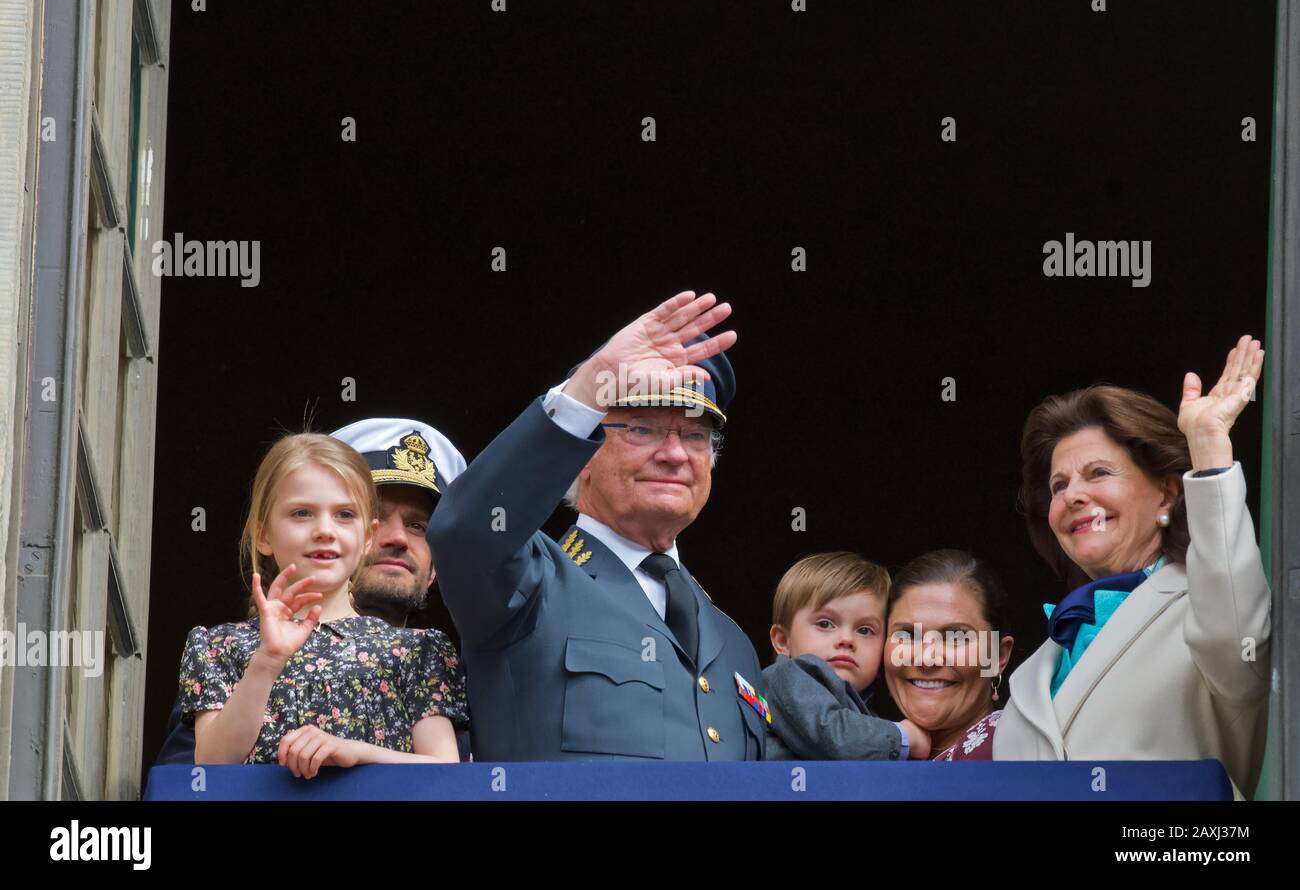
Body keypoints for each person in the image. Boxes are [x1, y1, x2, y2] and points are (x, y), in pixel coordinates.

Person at [427, 292, 767, 760]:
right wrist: (589, 388)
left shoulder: (732, 640)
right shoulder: (530, 582)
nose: (674, 454)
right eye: (641, 429)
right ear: (582, 456)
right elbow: (463, 532)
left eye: (694, 435)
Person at [993, 336, 1272, 798]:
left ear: (1166, 493)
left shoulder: (1206, 606)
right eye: (1059, 484)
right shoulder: (1039, 663)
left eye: (1099, 473)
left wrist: (1207, 451)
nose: (1071, 495)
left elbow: (1232, 629)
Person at [155, 418, 469, 766]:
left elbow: (445, 774)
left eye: (345, 515)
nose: (324, 530)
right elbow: (211, 769)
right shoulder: (219, 647)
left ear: (367, 537)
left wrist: (357, 753)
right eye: (302, 513)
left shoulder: (419, 650)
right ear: (263, 535)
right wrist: (267, 661)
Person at [763, 552, 931, 760]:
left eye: (865, 630)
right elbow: (836, 737)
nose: (846, 639)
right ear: (783, 641)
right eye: (825, 624)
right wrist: (905, 736)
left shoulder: (868, 718)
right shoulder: (786, 677)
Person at [882, 549, 1014, 760]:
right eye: (907, 635)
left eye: (956, 637)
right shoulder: (860, 752)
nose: (926, 659)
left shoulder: (1021, 755)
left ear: (998, 657)